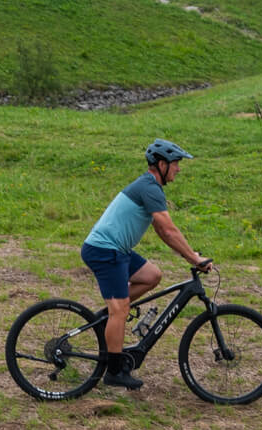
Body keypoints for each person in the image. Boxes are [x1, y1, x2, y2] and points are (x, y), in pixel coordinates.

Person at [79, 139, 213, 390]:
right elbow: (168, 229)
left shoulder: (150, 187)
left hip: (117, 249)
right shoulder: (150, 187)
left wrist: (189, 253)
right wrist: (193, 258)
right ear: (161, 164)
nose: (178, 169)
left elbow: (164, 232)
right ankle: (114, 371)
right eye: (176, 164)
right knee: (120, 310)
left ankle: (111, 315)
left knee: (152, 275)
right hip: (105, 250)